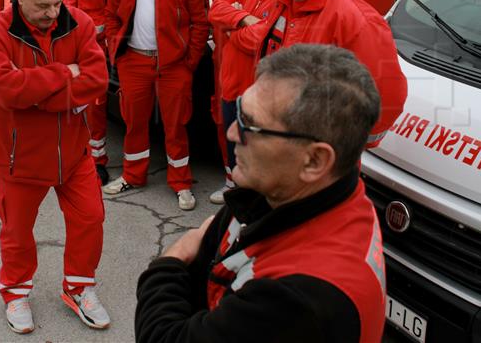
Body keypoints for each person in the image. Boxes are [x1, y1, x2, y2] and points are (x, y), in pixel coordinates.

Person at [135, 44, 387, 343]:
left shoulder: (299, 300)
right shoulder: (292, 190)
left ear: (315, 160)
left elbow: (163, 337)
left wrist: (172, 259)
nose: (231, 134)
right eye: (240, 112)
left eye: (251, 126)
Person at [0, 0, 111, 334]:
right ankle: (16, 292)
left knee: (90, 219)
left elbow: (97, 80)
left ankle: (79, 287)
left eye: (57, 3)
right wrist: (64, 72)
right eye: (43, 7)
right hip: (19, 159)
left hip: (74, 153)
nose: (53, 13)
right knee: (17, 231)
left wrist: (38, 96)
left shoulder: (79, 23)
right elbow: (5, 89)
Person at [252, 0, 407, 147]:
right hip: (279, 143)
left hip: (320, 161)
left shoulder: (355, 20)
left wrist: (336, 147)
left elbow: (387, 100)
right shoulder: (281, 1)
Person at [103, 0, 209, 211]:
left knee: (176, 126)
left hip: (174, 65)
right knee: (134, 122)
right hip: (133, 61)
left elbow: (200, 22)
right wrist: (116, 52)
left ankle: (181, 184)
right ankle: (133, 176)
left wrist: (189, 62)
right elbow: (112, 14)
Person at [41, 0, 114, 185]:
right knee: (54, 105)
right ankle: (56, 156)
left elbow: (114, 8)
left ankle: (97, 161)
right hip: (54, 51)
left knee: (93, 108)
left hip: (90, 52)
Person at [206, 0, 279, 204]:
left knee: (254, 145)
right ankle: (231, 183)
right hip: (231, 82)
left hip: (256, 90)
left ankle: (251, 195)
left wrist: (230, 30)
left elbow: (258, 40)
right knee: (231, 138)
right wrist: (244, 17)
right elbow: (216, 9)